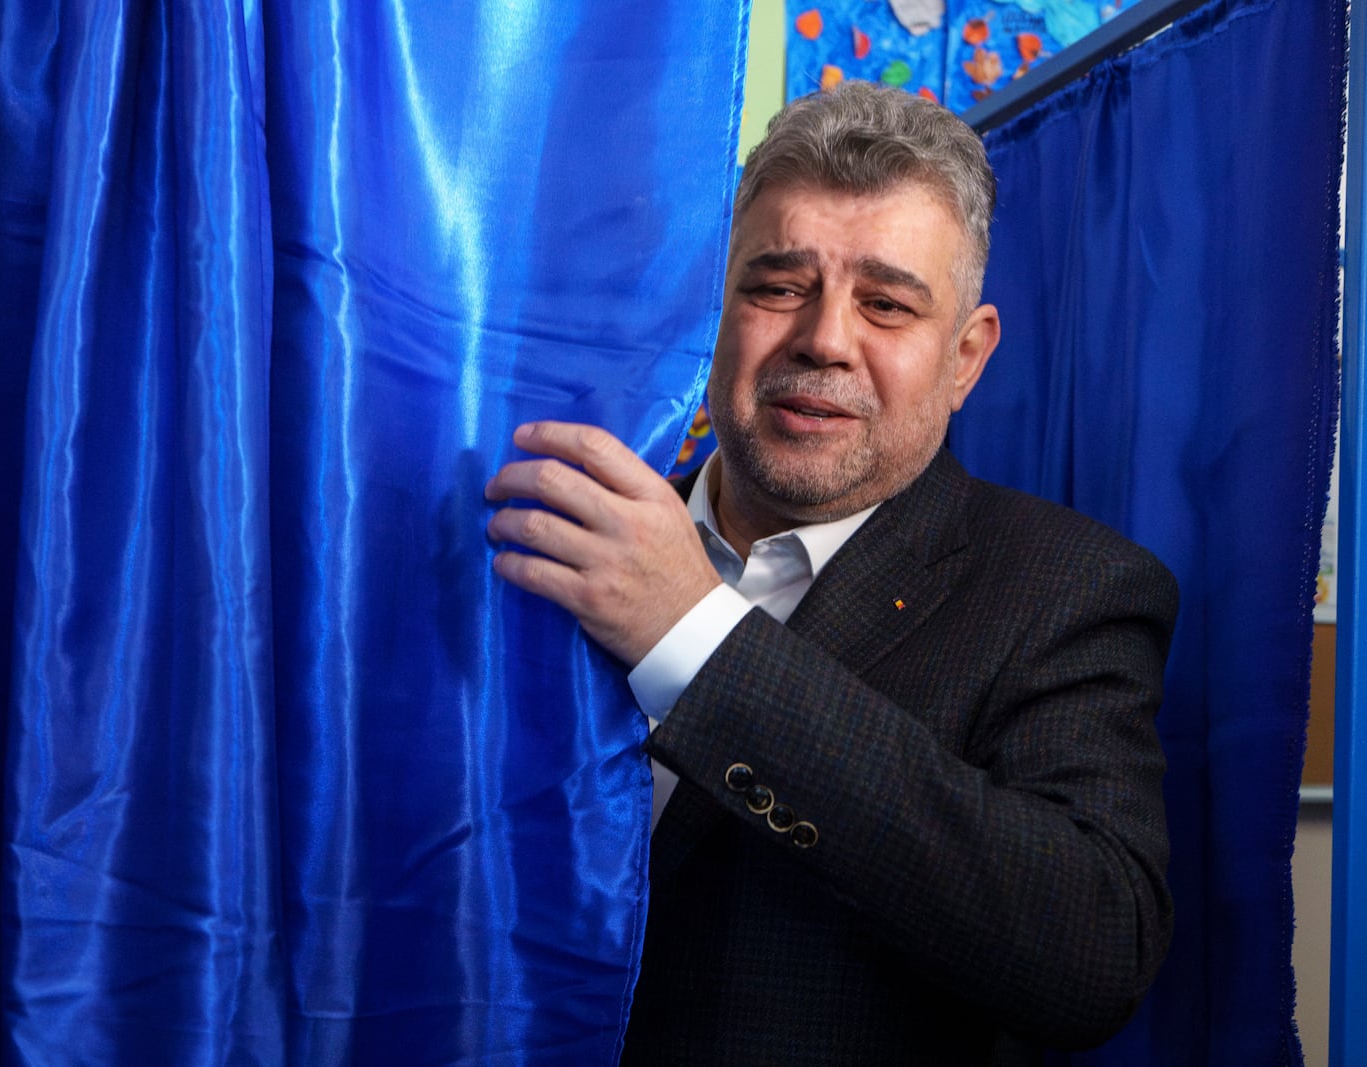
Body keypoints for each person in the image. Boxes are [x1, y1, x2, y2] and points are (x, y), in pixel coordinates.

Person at [484, 81, 1175, 1066]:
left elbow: (1089, 956)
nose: (822, 338)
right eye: (776, 284)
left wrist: (696, 640)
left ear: (966, 357)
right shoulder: (543, 533)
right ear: (713, 304)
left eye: (886, 304)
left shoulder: (1068, 588)